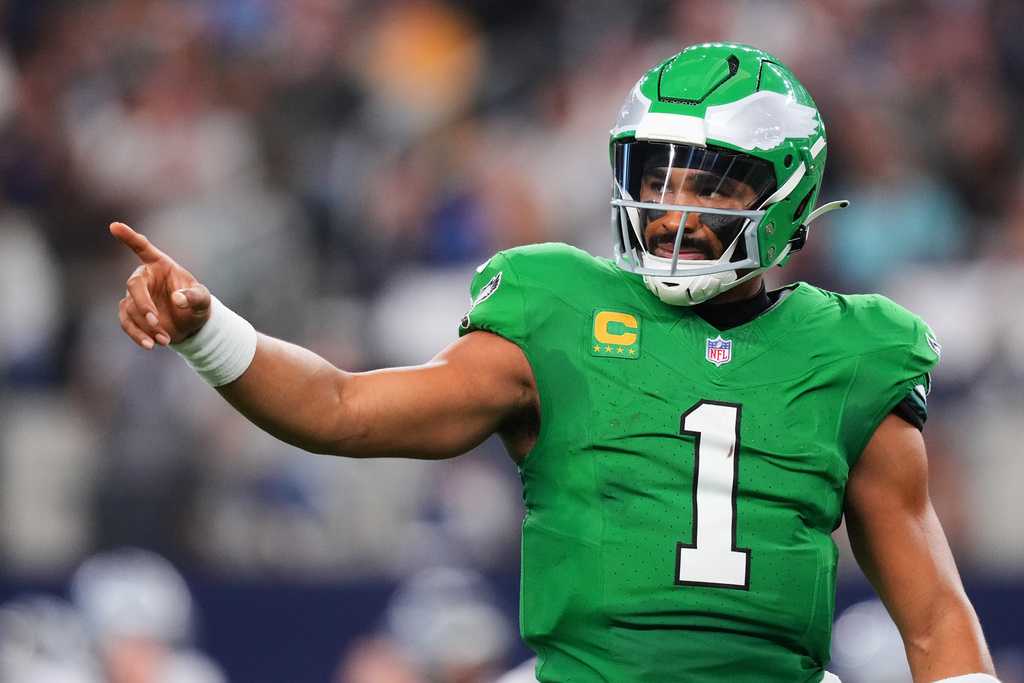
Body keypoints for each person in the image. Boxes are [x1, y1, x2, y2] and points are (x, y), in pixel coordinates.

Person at [112, 42, 998, 683]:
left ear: (787, 195)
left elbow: (932, 616)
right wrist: (208, 328)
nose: (674, 207)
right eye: (656, 175)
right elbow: (342, 409)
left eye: (711, 181)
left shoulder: (849, 350)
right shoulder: (559, 309)